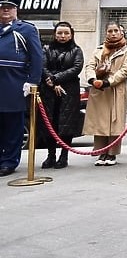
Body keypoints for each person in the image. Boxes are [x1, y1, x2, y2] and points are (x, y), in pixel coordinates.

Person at [0, 0, 43, 177]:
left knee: (12, 125)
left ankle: (9, 161)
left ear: (16, 10)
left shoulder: (25, 29)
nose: (6, 11)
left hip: (13, 82)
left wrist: (33, 81)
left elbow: (36, 57)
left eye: (9, 8)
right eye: (2, 8)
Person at [83, 21, 127, 166]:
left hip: (115, 88)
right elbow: (90, 66)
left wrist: (108, 82)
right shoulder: (99, 49)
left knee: (114, 121)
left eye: (115, 31)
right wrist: (93, 79)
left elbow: (125, 70)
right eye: (110, 31)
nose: (112, 33)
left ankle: (112, 154)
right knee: (100, 121)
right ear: (106, 32)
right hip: (99, 89)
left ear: (121, 32)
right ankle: (101, 152)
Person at [39, 21, 84, 169]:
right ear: (54, 34)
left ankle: (63, 156)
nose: (63, 36)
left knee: (67, 125)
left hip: (69, 91)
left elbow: (76, 68)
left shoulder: (76, 50)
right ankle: (50, 155)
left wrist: (56, 79)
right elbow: (42, 66)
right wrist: (52, 82)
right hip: (48, 91)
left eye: (66, 33)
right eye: (59, 33)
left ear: (71, 35)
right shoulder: (46, 49)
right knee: (49, 124)